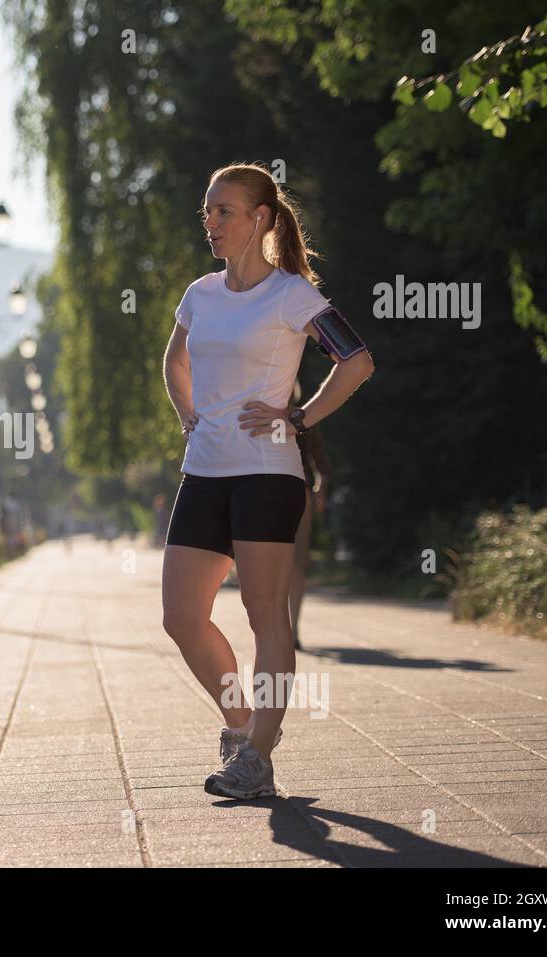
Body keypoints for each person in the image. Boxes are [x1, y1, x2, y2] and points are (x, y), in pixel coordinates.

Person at [161, 162, 375, 800]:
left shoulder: (292, 295)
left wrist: (300, 417)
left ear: (260, 218)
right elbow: (175, 359)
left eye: (224, 211)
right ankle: (244, 727)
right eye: (207, 211)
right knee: (180, 616)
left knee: (264, 616)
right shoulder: (200, 294)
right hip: (204, 470)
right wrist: (187, 414)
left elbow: (357, 361)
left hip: (267, 472)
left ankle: (257, 754)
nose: (212, 223)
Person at [290, 378, 331, 651]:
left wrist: (319, 490)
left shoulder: (301, 418)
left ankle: (291, 631)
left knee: (293, 565)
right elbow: (323, 469)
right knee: (289, 566)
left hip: (295, 492)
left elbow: (322, 467)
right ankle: (285, 631)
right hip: (282, 492)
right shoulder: (252, 414)